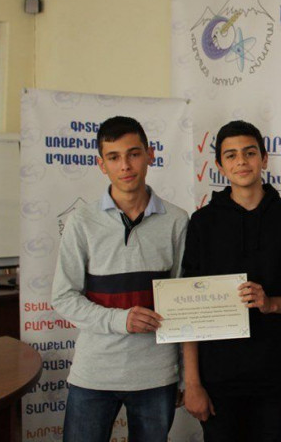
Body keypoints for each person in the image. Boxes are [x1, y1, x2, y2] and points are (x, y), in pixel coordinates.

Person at [51, 116, 188, 442]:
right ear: (102, 165)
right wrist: (120, 320)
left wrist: (184, 374)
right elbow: (63, 297)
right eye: (113, 157)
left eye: (134, 154)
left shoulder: (177, 220)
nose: (125, 166)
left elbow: (184, 302)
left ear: (150, 155)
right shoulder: (81, 221)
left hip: (156, 375)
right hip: (94, 372)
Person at [182, 120, 281, 442]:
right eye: (231, 155)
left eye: (250, 153)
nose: (241, 161)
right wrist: (192, 383)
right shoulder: (202, 223)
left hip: (275, 376)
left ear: (264, 159)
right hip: (217, 377)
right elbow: (188, 310)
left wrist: (272, 304)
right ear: (220, 166)